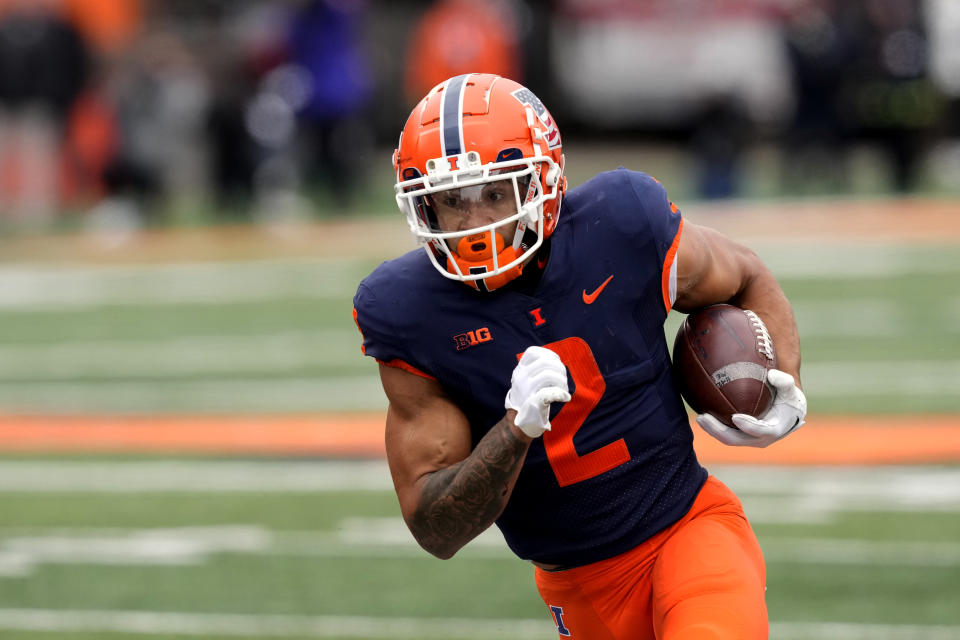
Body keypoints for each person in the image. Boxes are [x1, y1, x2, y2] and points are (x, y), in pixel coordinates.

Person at [353, 73, 807, 639]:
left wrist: (781, 384)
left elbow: (747, 274)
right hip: (575, 587)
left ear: (545, 178)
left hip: (688, 533)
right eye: (451, 203)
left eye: (494, 193)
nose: (475, 226)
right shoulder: (408, 313)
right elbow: (436, 530)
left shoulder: (619, 223)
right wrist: (513, 432)